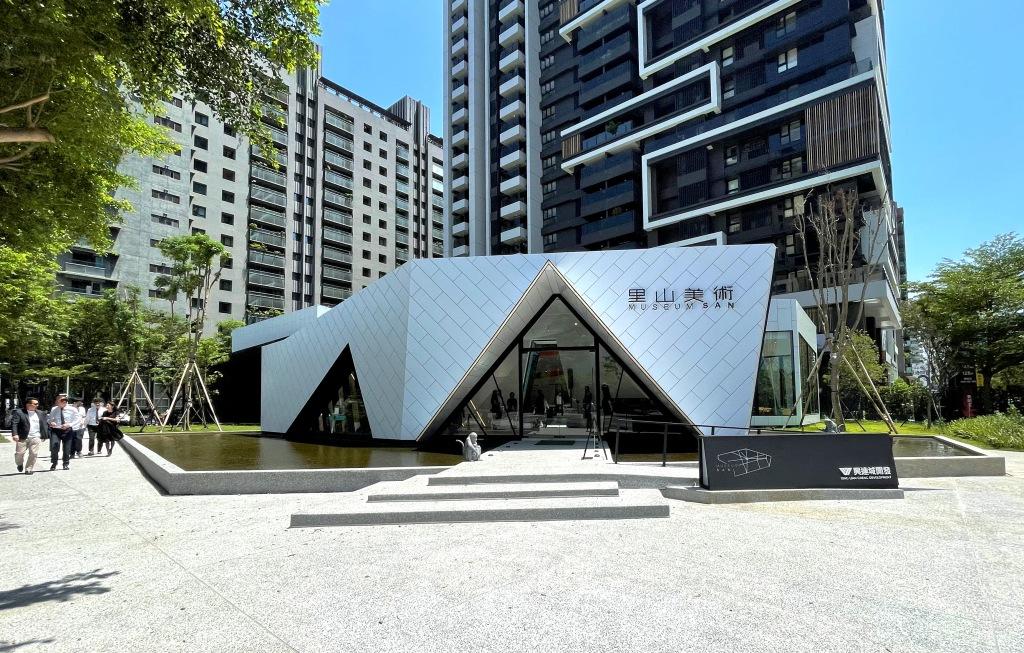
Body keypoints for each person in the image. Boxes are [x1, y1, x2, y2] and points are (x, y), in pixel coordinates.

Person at [10, 398, 50, 475]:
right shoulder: (19, 412)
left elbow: (44, 424)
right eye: (35, 404)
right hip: (22, 436)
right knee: (19, 453)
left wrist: (45, 435)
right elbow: (15, 423)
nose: (37, 405)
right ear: (28, 404)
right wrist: (15, 434)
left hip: (36, 436)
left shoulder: (41, 413)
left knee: (33, 453)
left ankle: (29, 469)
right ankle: (19, 463)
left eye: (37, 404)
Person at [47, 394, 81, 470]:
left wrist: (69, 424)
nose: (56, 403)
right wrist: (51, 422)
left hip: (67, 430)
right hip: (56, 430)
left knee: (66, 448)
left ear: (64, 402)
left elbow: (78, 419)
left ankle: (65, 463)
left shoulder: (72, 409)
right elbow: (49, 419)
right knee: (54, 447)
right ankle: (54, 463)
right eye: (56, 401)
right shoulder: (54, 409)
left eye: (58, 401)